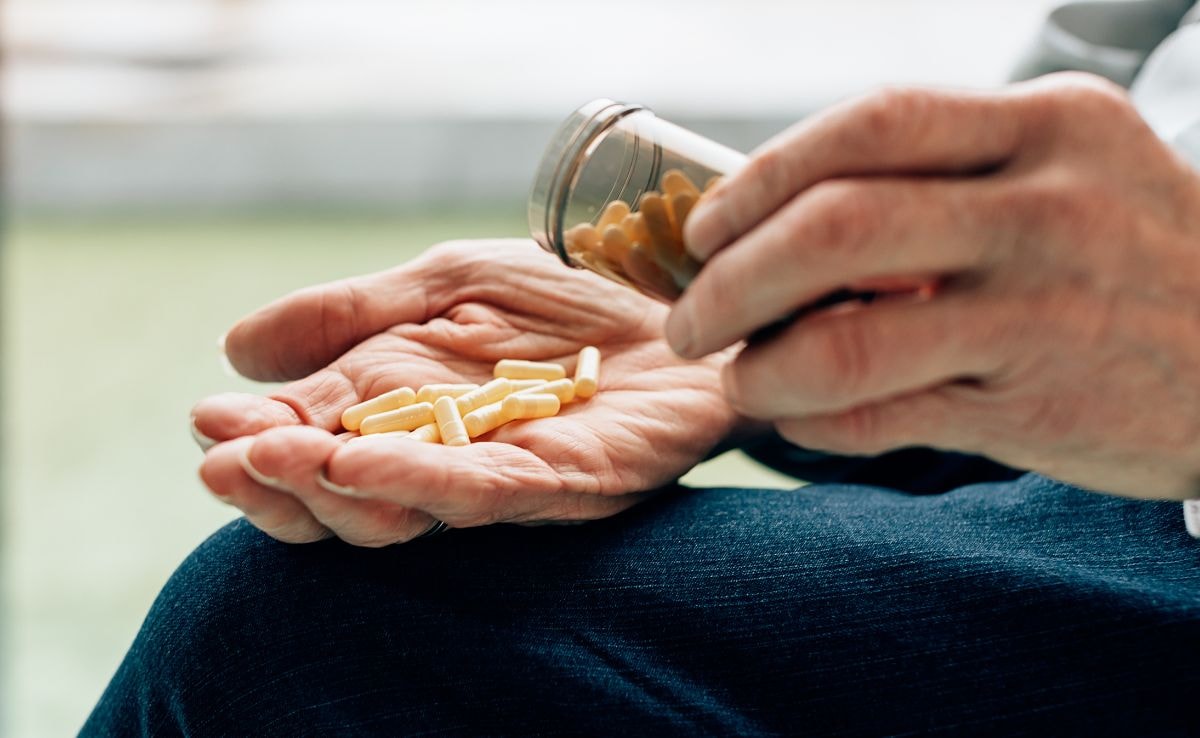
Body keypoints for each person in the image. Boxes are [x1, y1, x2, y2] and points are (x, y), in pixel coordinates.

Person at [84, 2, 1200, 735]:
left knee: (294, 642)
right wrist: (840, 317)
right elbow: (1110, 70)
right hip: (1113, 421)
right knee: (309, 599)